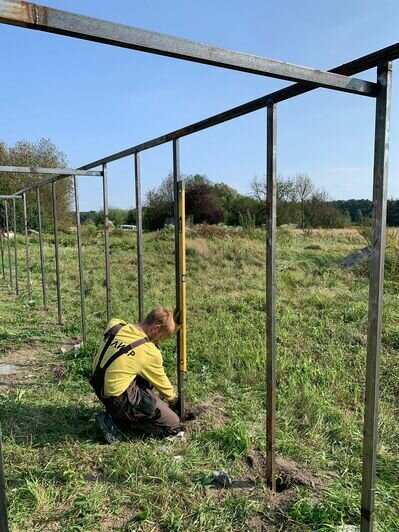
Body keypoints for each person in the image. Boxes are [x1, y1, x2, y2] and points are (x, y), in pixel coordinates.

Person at [90, 305, 181, 442]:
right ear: (155, 328)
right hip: (117, 402)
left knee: (140, 375)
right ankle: (119, 424)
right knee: (173, 423)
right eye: (161, 337)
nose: (158, 341)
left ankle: (119, 415)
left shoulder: (115, 325)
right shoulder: (148, 351)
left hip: (100, 387)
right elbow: (163, 385)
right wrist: (175, 402)